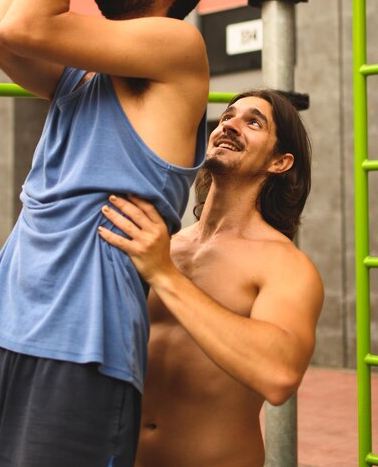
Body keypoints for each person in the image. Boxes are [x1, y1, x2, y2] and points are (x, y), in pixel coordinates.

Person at [0, 0, 209, 467]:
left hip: (81, 341)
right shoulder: (82, 72)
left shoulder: (179, 46)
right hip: (0, 318)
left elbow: (27, 28)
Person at [98, 89, 324, 467]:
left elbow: (279, 374)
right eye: (226, 117)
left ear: (280, 162)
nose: (229, 125)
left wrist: (165, 276)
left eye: (253, 122)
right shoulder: (162, 242)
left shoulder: (285, 264)